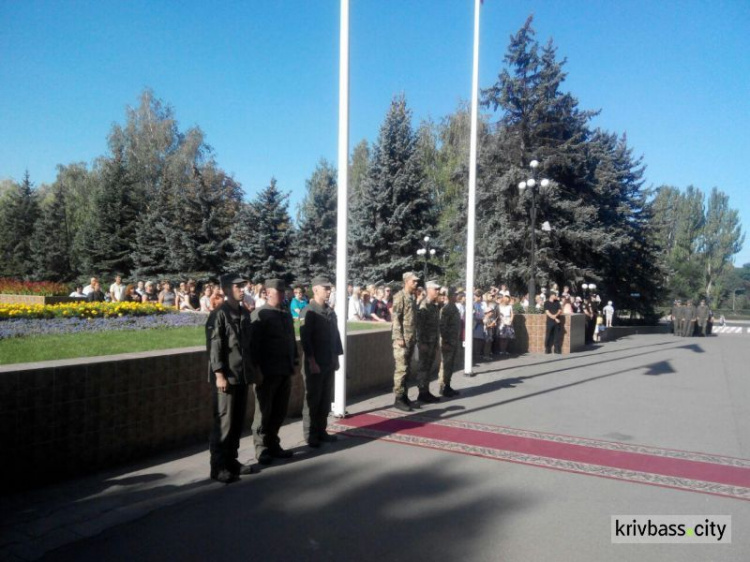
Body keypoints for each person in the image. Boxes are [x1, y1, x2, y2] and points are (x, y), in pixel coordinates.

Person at [206, 273, 261, 484]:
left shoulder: (244, 313)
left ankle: (231, 461)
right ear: (227, 290)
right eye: (237, 286)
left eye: (243, 286)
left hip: (242, 375)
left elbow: (249, 346)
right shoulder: (219, 315)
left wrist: (255, 371)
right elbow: (215, 346)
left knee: (237, 422)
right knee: (224, 422)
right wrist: (219, 374)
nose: (242, 289)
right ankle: (218, 466)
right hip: (226, 377)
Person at [251, 279, 298, 465]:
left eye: (283, 290)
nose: (282, 293)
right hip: (268, 371)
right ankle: (261, 448)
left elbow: (291, 339)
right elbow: (253, 345)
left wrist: (294, 360)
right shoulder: (260, 314)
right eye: (278, 290)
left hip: (284, 369)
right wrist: (256, 370)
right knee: (263, 411)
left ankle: (273, 443)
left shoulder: (285, 314)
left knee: (279, 410)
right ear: (268, 292)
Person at [299, 276, 343, 448]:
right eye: (325, 288)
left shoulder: (330, 312)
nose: (328, 291)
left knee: (325, 399)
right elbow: (306, 339)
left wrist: (337, 357)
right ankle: (310, 434)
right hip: (315, 363)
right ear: (315, 289)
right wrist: (311, 361)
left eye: (329, 288)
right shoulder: (309, 311)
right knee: (313, 399)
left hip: (328, 362)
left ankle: (321, 430)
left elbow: (336, 337)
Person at [392, 271, 420, 411]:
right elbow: (396, 318)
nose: (416, 283)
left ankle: (404, 397)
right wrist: (398, 337)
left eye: (416, 281)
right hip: (402, 340)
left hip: (411, 339)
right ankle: (398, 398)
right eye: (413, 281)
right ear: (406, 281)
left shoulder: (412, 297)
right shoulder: (399, 297)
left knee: (407, 370)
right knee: (401, 370)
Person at [416, 280, 442, 403]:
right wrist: (421, 343)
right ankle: (422, 393)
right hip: (425, 343)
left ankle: (426, 391)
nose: (438, 291)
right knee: (423, 368)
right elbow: (420, 326)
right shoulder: (424, 305)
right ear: (429, 290)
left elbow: (435, 326)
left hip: (432, 342)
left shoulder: (433, 306)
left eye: (438, 289)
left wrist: (436, 342)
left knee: (428, 367)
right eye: (435, 289)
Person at [438, 286, 461, 397]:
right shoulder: (447, 308)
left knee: (450, 364)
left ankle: (447, 385)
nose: (457, 296)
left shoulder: (453, 307)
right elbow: (443, 326)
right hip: (448, 341)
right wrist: (445, 342)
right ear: (450, 296)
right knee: (446, 364)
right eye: (455, 295)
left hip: (453, 340)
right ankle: (443, 386)